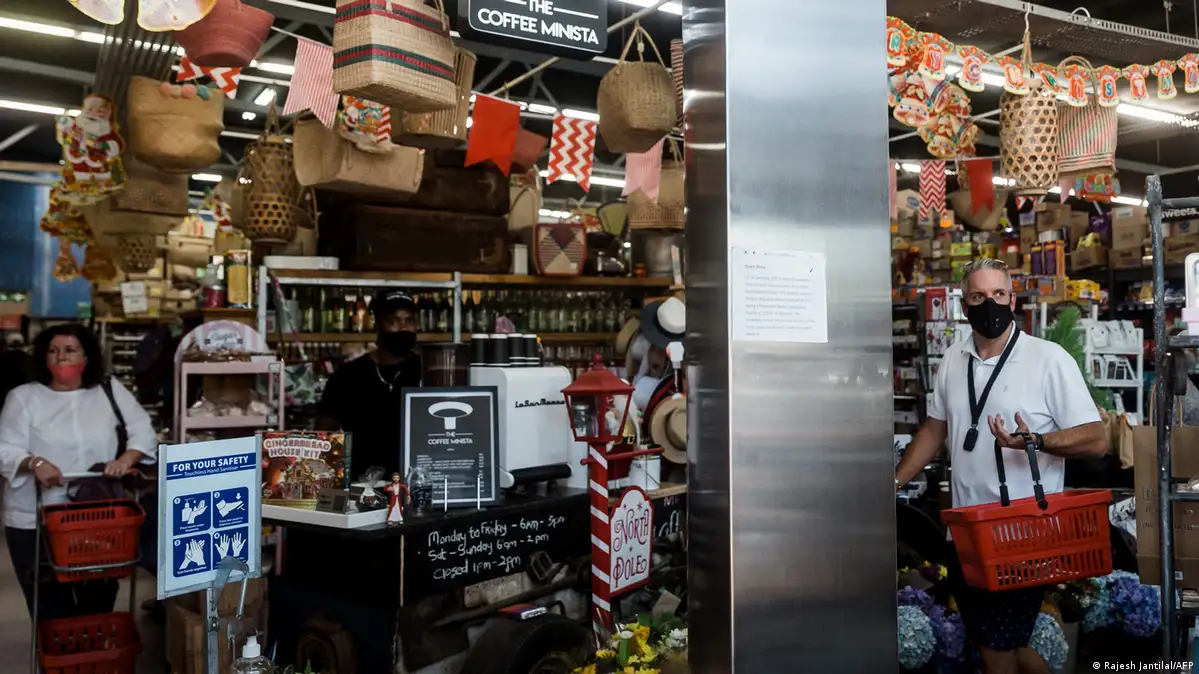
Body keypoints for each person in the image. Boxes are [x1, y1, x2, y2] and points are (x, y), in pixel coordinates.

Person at [894, 259, 1107, 674]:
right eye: (978, 296)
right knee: (998, 642)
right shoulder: (953, 359)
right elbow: (935, 429)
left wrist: (1036, 441)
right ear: (964, 305)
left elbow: (1096, 439)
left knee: (995, 649)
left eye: (999, 294)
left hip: (1022, 533)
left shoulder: (1047, 359)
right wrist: (895, 481)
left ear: (1013, 300)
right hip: (966, 530)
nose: (989, 304)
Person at [0, 323, 157, 620]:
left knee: (98, 600)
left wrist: (126, 459)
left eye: (70, 350)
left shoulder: (109, 391)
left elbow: (143, 431)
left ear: (87, 357)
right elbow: (5, 448)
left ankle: (92, 648)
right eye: (53, 351)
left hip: (98, 516)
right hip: (34, 519)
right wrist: (34, 463)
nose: (61, 357)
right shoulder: (23, 397)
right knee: (50, 608)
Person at [316, 289, 421, 477]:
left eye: (410, 321)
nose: (403, 328)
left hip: (415, 481)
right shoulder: (348, 375)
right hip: (359, 483)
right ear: (377, 324)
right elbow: (323, 435)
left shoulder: (426, 372)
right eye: (394, 321)